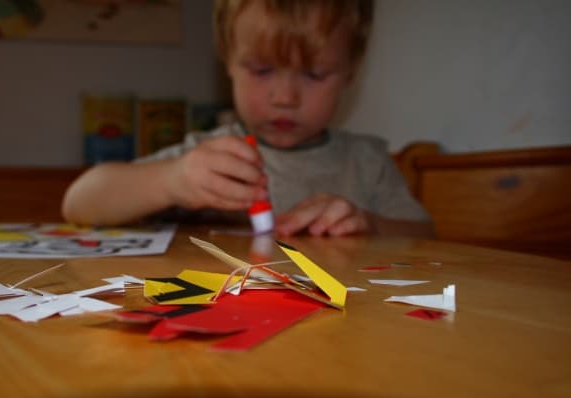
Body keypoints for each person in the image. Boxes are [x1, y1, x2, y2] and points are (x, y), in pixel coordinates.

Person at [62, 0, 434, 238]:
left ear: (351, 72)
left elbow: (424, 235)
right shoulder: (205, 157)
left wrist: (370, 225)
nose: (285, 97)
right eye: (261, 70)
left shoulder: (367, 162)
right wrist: (172, 181)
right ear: (228, 63)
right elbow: (78, 203)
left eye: (314, 75)